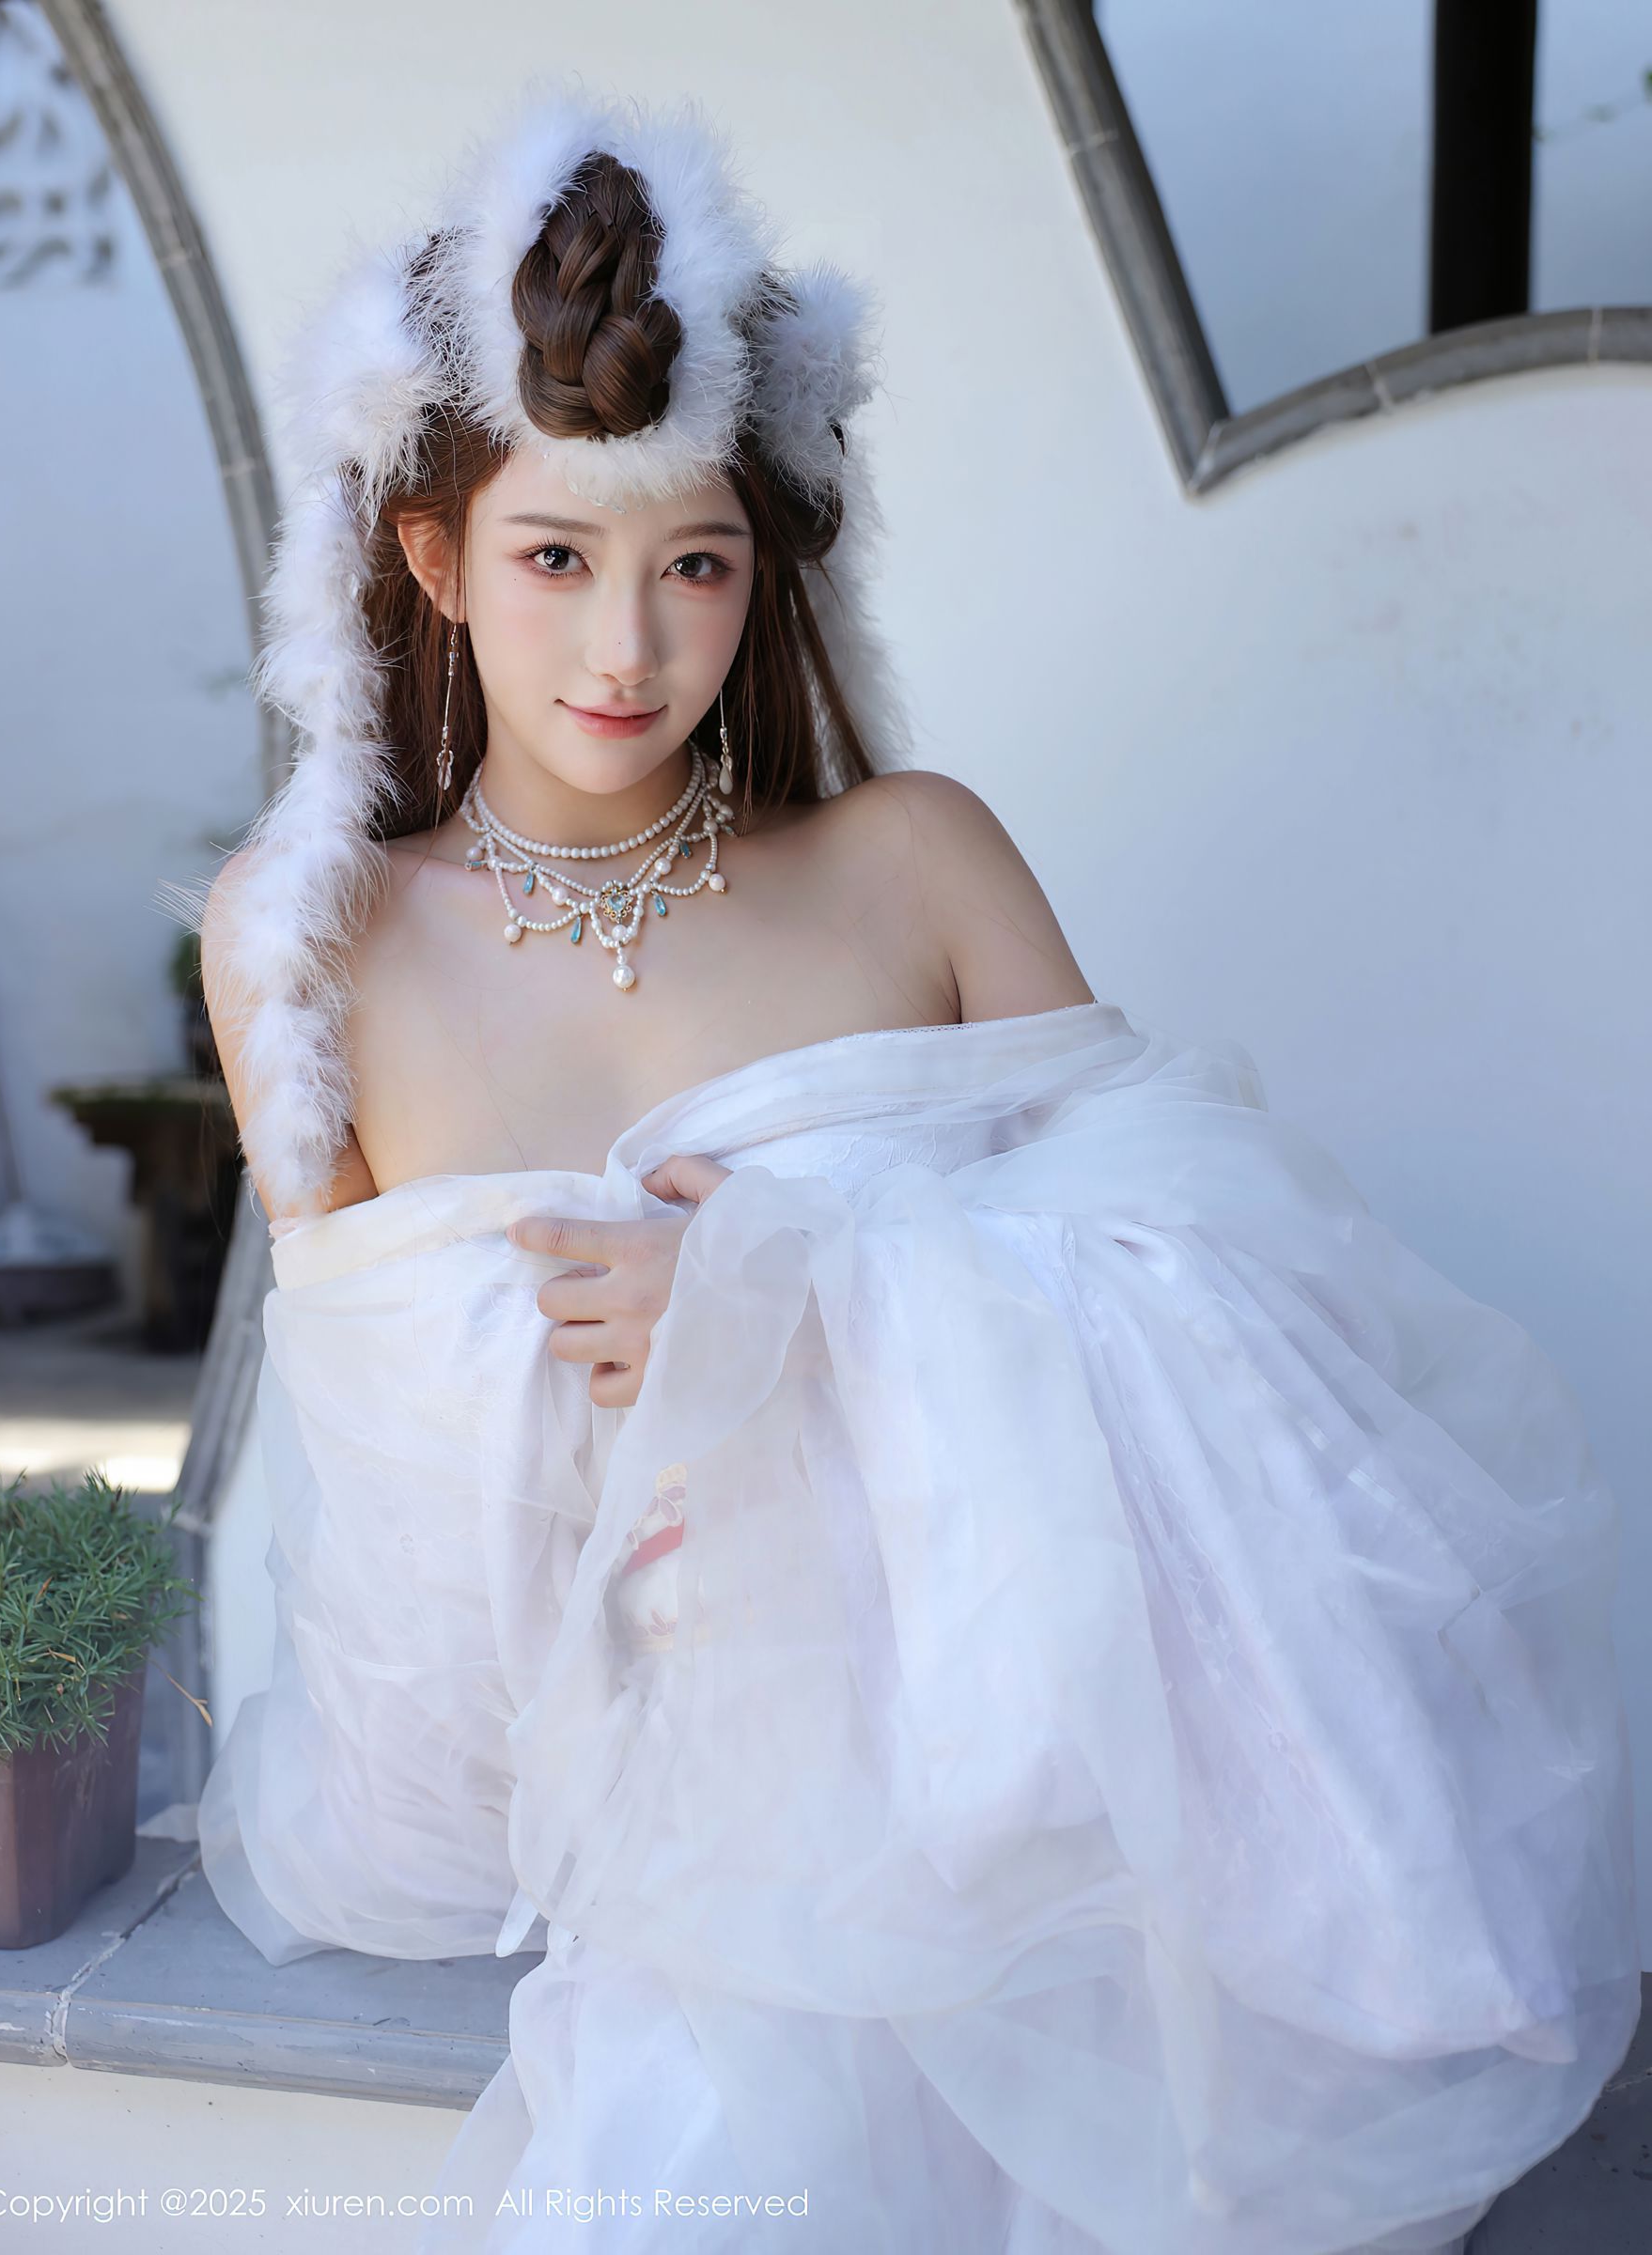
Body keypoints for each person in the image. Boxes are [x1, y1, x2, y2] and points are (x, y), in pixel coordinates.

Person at [186, 77, 1639, 2255]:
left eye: (694, 565)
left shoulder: (913, 861)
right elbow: (391, 1538)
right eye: (557, 558)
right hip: (637, 1835)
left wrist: (791, 1301)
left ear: (760, 568)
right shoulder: (311, 946)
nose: (627, 648)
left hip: (1022, 1785)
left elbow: (1246, 1316)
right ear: (432, 557)